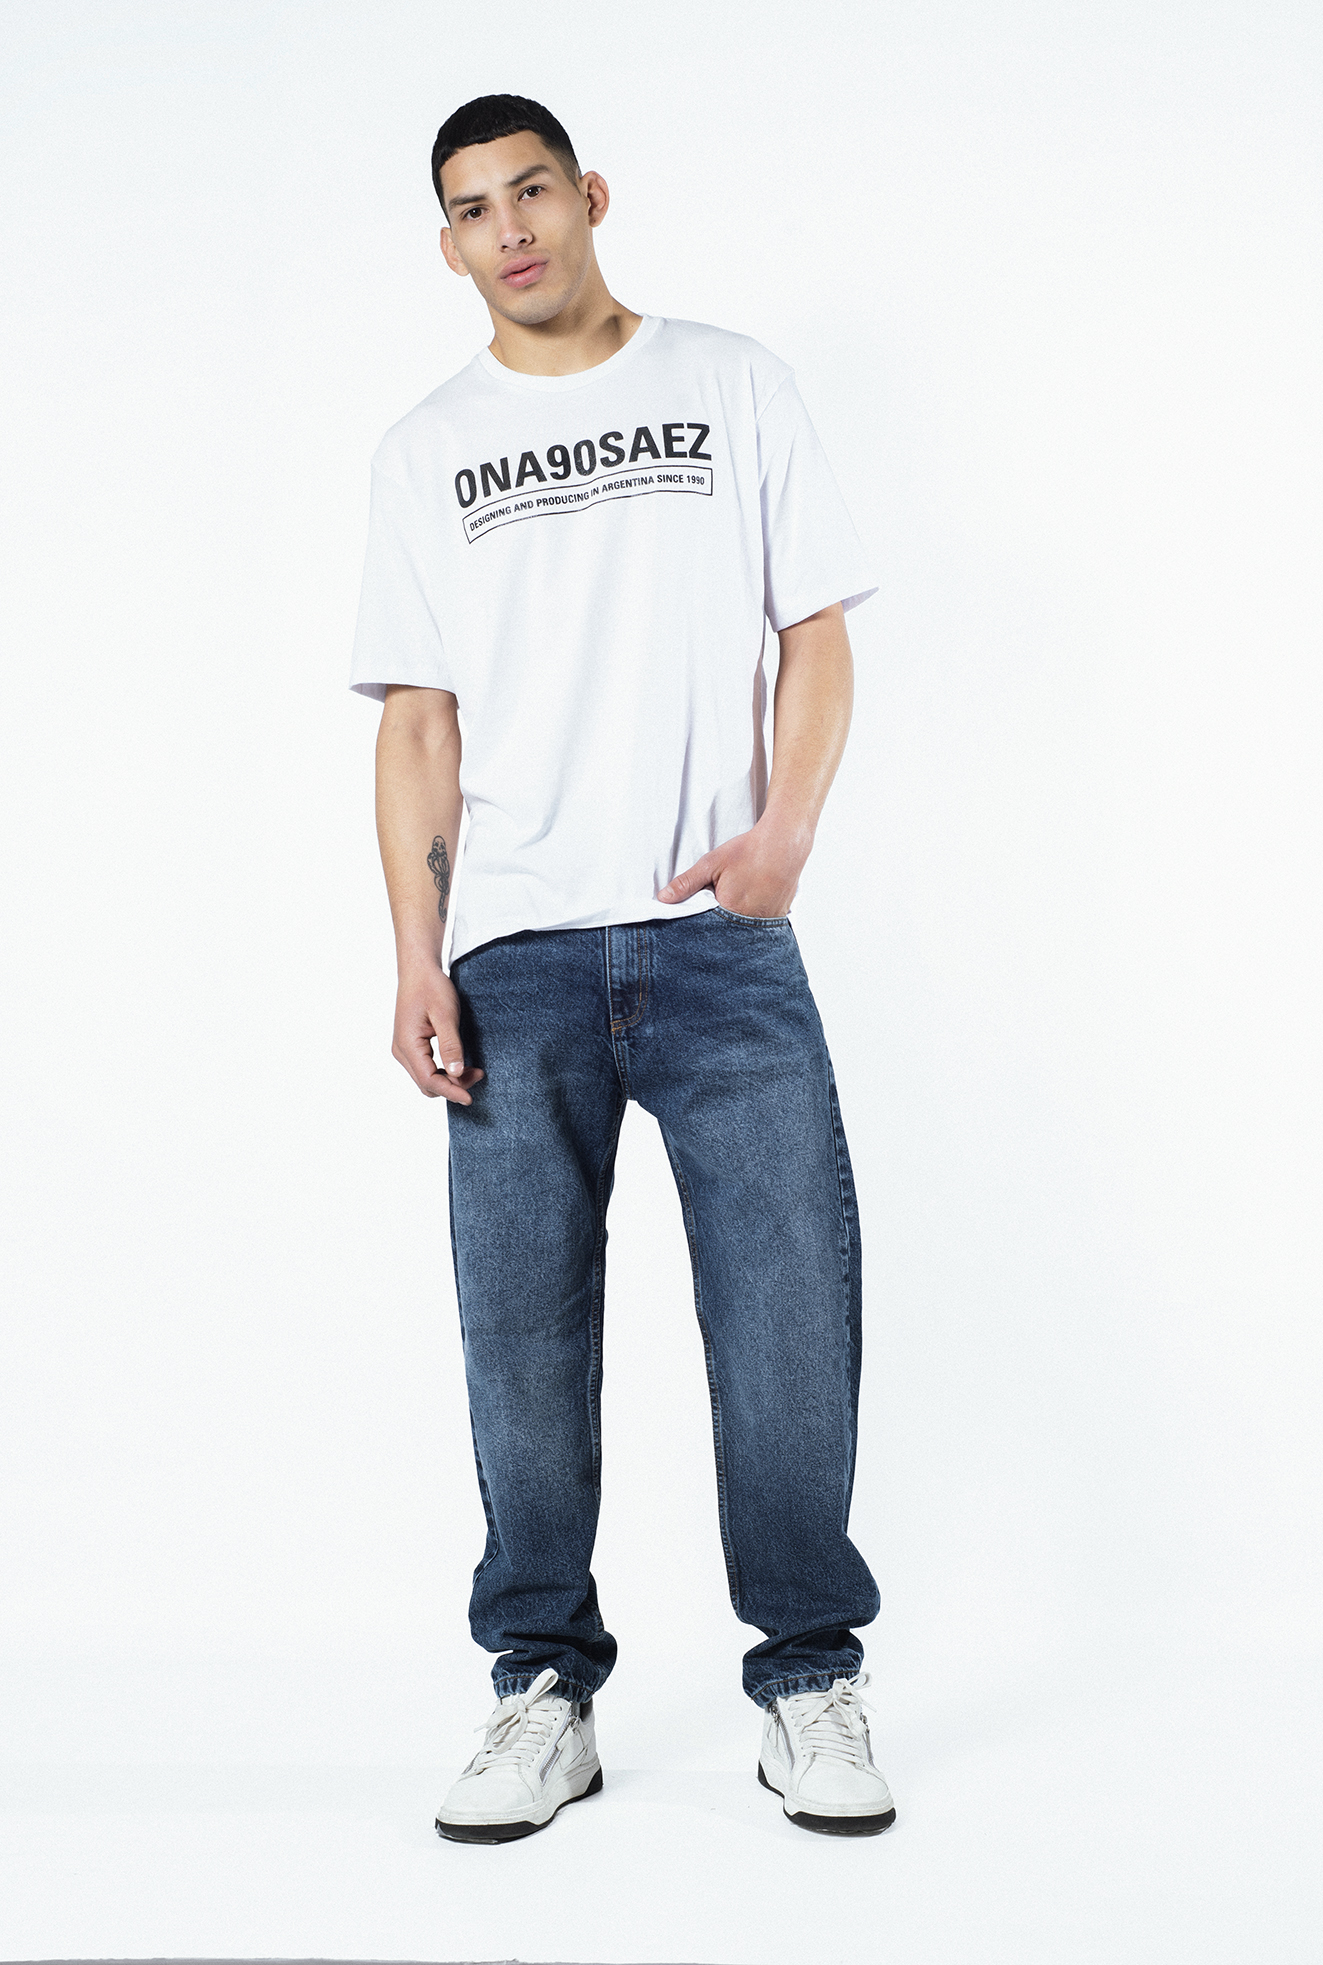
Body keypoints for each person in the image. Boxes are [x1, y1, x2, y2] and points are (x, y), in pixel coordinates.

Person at [350, 93, 894, 1844]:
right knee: (520, 1336)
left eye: (532, 191)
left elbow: (815, 630)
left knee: (788, 1309)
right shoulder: (427, 449)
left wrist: (784, 835)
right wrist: (416, 954)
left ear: (589, 196)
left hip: (720, 937)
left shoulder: (731, 383)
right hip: (510, 950)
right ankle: (542, 1689)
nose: (509, 228)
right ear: (447, 245)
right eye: (473, 209)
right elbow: (417, 724)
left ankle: (807, 1674)